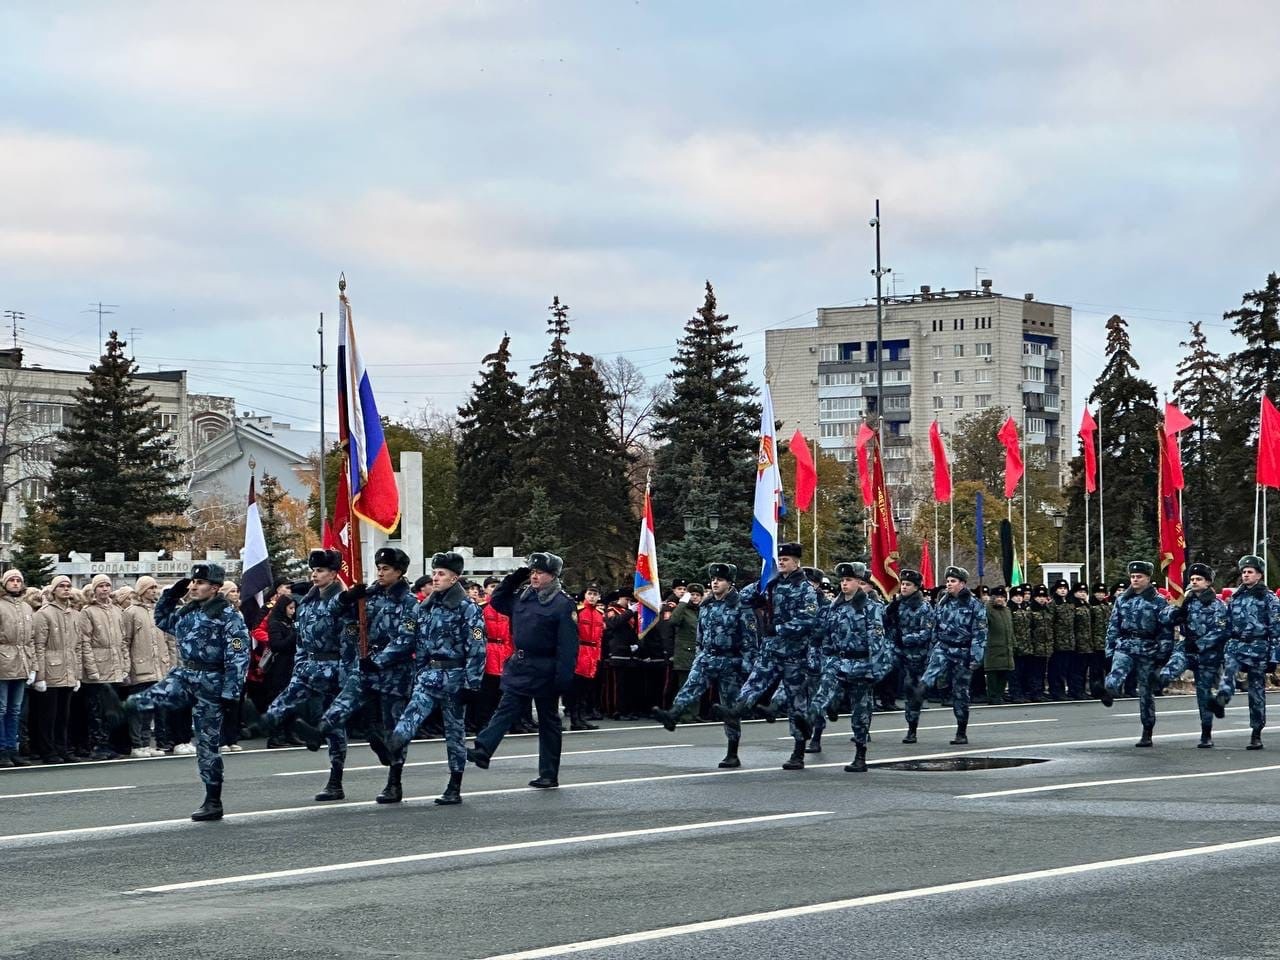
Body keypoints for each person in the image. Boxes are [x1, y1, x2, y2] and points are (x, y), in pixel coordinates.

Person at [124, 563, 250, 821]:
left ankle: (213, 799)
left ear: (214, 588)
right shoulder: (188, 611)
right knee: (144, 700)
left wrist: (231, 693)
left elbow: (239, 656)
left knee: (206, 743)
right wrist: (170, 595)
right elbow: (162, 620)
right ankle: (122, 711)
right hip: (186, 673)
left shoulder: (228, 615)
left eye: (199, 583)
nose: (193, 587)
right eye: (192, 582)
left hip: (212, 681)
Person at [297, 547, 418, 803]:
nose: (380, 572)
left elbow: (406, 639)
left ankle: (394, 782)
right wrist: (349, 599)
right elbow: (343, 619)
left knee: (392, 727)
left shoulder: (409, 602)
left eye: (386, 569)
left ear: (399, 572)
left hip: (395, 673)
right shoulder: (370, 595)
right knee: (345, 702)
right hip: (365, 665)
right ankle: (319, 732)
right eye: (379, 568)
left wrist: (380, 661)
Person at [374, 551, 485, 805]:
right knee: (409, 718)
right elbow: (420, 642)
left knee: (454, 732)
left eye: (441, 574)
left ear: (455, 578)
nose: (435, 578)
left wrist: (472, 683)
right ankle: (391, 751)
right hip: (430, 675)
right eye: (434, 573)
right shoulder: (426, 606)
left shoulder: (468, 608)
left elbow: (477, 647)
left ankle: (454, 785)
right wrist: (421, 670)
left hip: (456, 676)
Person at [468, 552, 579, 789]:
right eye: (532, 572)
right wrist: (515, 577)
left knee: (548, 720)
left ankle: (548, 773)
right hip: (521, 664)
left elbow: (568, 646)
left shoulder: (562, 604)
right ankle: (483, 750)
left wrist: (563, 678)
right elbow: (497, 600)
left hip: (546, 667)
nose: (535, 576)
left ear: (553, 575)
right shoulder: (524, 596)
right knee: (506, 708)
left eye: (540, 572)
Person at [712, 542, 818, 771]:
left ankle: (798, 751)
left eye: (786, 559)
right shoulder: (772, 581)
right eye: (779, 559)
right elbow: (744, 599)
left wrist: (780, 629)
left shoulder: (805, 588)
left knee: (796, 701)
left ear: (796, 562)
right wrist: (762, 582)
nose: (781, 563)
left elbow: (809, 619)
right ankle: (737, 709)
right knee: (755, 681)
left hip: (795, 652)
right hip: (771, 648)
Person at [263, 549, 356, 801]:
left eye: (321, 571)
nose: (314, 575)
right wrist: (299, 667)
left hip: (333, 669)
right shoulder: (307, 602)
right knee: (278, 708)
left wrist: (346, 676)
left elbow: (349, 642)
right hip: (308, 668)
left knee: (335, 727)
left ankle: (335, 781)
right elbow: (302, 640)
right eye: (313, 570)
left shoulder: (343, 603)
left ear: (334, 574)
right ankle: (295, 730)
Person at [652, 562, 757, 768]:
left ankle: (732, 751)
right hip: (707, 657)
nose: (715, 582)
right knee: (691, 685)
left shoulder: (741, 605)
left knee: (729, 706)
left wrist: (747, 667)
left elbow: (749, 639)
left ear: (730, 582)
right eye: (713, 579)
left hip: (730, 660)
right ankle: (673, 714)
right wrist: (700, 654)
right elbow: (701, 634)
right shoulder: (707, 604)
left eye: (720, 579)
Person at [807, 562, 891, 773]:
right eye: (842, 580)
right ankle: (810, 725)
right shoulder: (833, 608)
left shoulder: (871, 608)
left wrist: (876, 669)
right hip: (837, 662)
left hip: (861, 664)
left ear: (859, 583)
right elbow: (825, 636)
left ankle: (860, 754)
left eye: (849, 580)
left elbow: (877, 641)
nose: (844, 584)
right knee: (821, 695)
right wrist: (825, 659)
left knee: (860, 711)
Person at [1098, 560, 1172, 747]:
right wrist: (1110, 649)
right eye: (1132, 576)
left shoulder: (1158, 601)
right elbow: (1113, 625)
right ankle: (1109, 690)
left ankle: (1147, 730)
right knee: (1118, 669)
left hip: (1148, 647)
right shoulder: (1123, 599)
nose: (1135, 579)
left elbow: (1165, 629)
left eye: (1139, 576)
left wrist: (1163, 654)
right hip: (1126, 644)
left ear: (1148, 578)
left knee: (1146, 692)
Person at [910, 566, 987, 745]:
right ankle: (913, 723)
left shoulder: (974, 604)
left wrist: (976, 656)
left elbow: (980, 632)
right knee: (924, 682)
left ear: (962, 583)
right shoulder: (943, 601)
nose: (949, 584)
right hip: (943, 648)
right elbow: (935, 626)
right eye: (948, 581)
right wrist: (932, 650)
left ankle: (961, 731)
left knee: (960, 692)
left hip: (963, 651)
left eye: (953, 581)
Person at [1159, 563, 1228, 747]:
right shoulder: (1186, 600)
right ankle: (1160, 680)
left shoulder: (1217, 605)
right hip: (1187, 647)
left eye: (1198, 579)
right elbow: (1164, 619)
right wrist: (1178, 606)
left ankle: (1206, 733)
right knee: (1175, 662)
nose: (1194, 582)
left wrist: (1200, 644)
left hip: (1208, 654)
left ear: (1207, 582)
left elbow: (1221, 630)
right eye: (1192, 579)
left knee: (1204, 694)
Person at [1218, 555, 1280, 750]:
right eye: (1243, 572)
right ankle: (1222, 696)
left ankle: (1256, 732)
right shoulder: (1236, 597)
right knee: (1229, 669)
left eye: (1249, 572)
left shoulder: (1268, 598)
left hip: (1258, 648)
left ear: (1259, 575)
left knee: (1256, 691)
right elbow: (1227, 624)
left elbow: (1276, 628)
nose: (1245, 575)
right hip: (1237, 645)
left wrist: (1274, 657)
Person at [30, 576, 91, 764]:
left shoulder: (75, 614)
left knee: (64, 715)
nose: (66, 589)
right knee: (48, 715)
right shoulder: (44, 614)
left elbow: (78, 645)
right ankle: (47, 751)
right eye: (61, 586)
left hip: (68, 669)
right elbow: (38, 645)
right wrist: (39, 675)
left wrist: (77, 674)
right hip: (50, 670)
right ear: (53, 590)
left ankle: (62, 748)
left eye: (68, 586)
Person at [79, 574, 127, 760]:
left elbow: (122, 641)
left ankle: (108, 744)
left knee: (111, 710)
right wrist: (92, 669)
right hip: (98, 667)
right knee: (96, 710)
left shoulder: (117, 611)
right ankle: (97, 745)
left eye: (107, 585)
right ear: (94, 589)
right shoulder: (88, 612)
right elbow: (85, 642)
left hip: (114, 666)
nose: (105, 589)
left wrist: (124, 665)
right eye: (101, 586)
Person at [121, 576, 169, 758]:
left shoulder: (159, 611)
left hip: (158, 668)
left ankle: (147, 742)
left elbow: (166, 639)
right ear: (142, 591)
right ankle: (137, 744)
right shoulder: (131, 612)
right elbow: (125, 641)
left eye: (156, 587)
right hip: (140, 667)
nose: (154, 591)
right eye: (150, 588)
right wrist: (127, 666)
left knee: (151, 708)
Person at [885, 569, 934, 742]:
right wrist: (890, 609)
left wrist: (905, 639)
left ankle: (912, 729)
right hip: (897, 652)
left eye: (908, 585)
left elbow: (926, 632)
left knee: (912, 692)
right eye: (903, 584)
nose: (904, 587)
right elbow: (886, 623)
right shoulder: (899, 603)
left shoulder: (923, 607)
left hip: (916, 656)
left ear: (916, 587)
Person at [0, 570, 35, 767]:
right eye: (11, 580)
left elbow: (30, 640)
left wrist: (33, 666)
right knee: (1, 708)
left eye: (18, 580)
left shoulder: (27, 608)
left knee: (15, 710)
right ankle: (2, 749)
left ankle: (13, 748)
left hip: (22, 662)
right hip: (3, 662)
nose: (15, 583)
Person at [262, 597, 300, 747]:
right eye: (290, 608)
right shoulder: (275, 624)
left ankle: (291, 733)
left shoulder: (291, 623)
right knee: (279, 700)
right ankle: (276, 736)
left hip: (293, 665)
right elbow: (277, 645)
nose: (293, 611)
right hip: (280, 668)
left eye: (294, 608)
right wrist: (294, 634)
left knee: (293, 700)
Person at [479, 576, 513, 730]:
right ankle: (484, 721)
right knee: (488, 691)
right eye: (491, 586)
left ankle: (497, 722)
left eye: (497, 586)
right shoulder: (482, 608)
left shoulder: (506, 607)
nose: (494, 589)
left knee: (501, 691)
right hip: (489, 650)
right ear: (485, 589)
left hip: (505, 651)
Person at [569, 584, 604, 730]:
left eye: (595, 594)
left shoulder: (599, 614)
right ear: (585, 595)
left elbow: (600, 637)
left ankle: (582, 718)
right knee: (576, 688)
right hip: (581, 651)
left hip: (592, 653)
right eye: (590, 594)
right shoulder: (578, 612)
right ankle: (574, 718)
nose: (592, 597)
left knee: (586, 689)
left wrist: (598, 655)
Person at [984, 586, 1014, 705]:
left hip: (1006, 647)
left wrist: (1013, 644)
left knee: (1004, 672)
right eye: (997, 597)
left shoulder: (1007, 611)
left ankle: (1000, 695)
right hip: (992, 647)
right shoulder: (988, 610)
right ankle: (992, 696)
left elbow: (1010, 628)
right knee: (993, 674)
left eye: (1002, 597)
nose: (1000, 599)